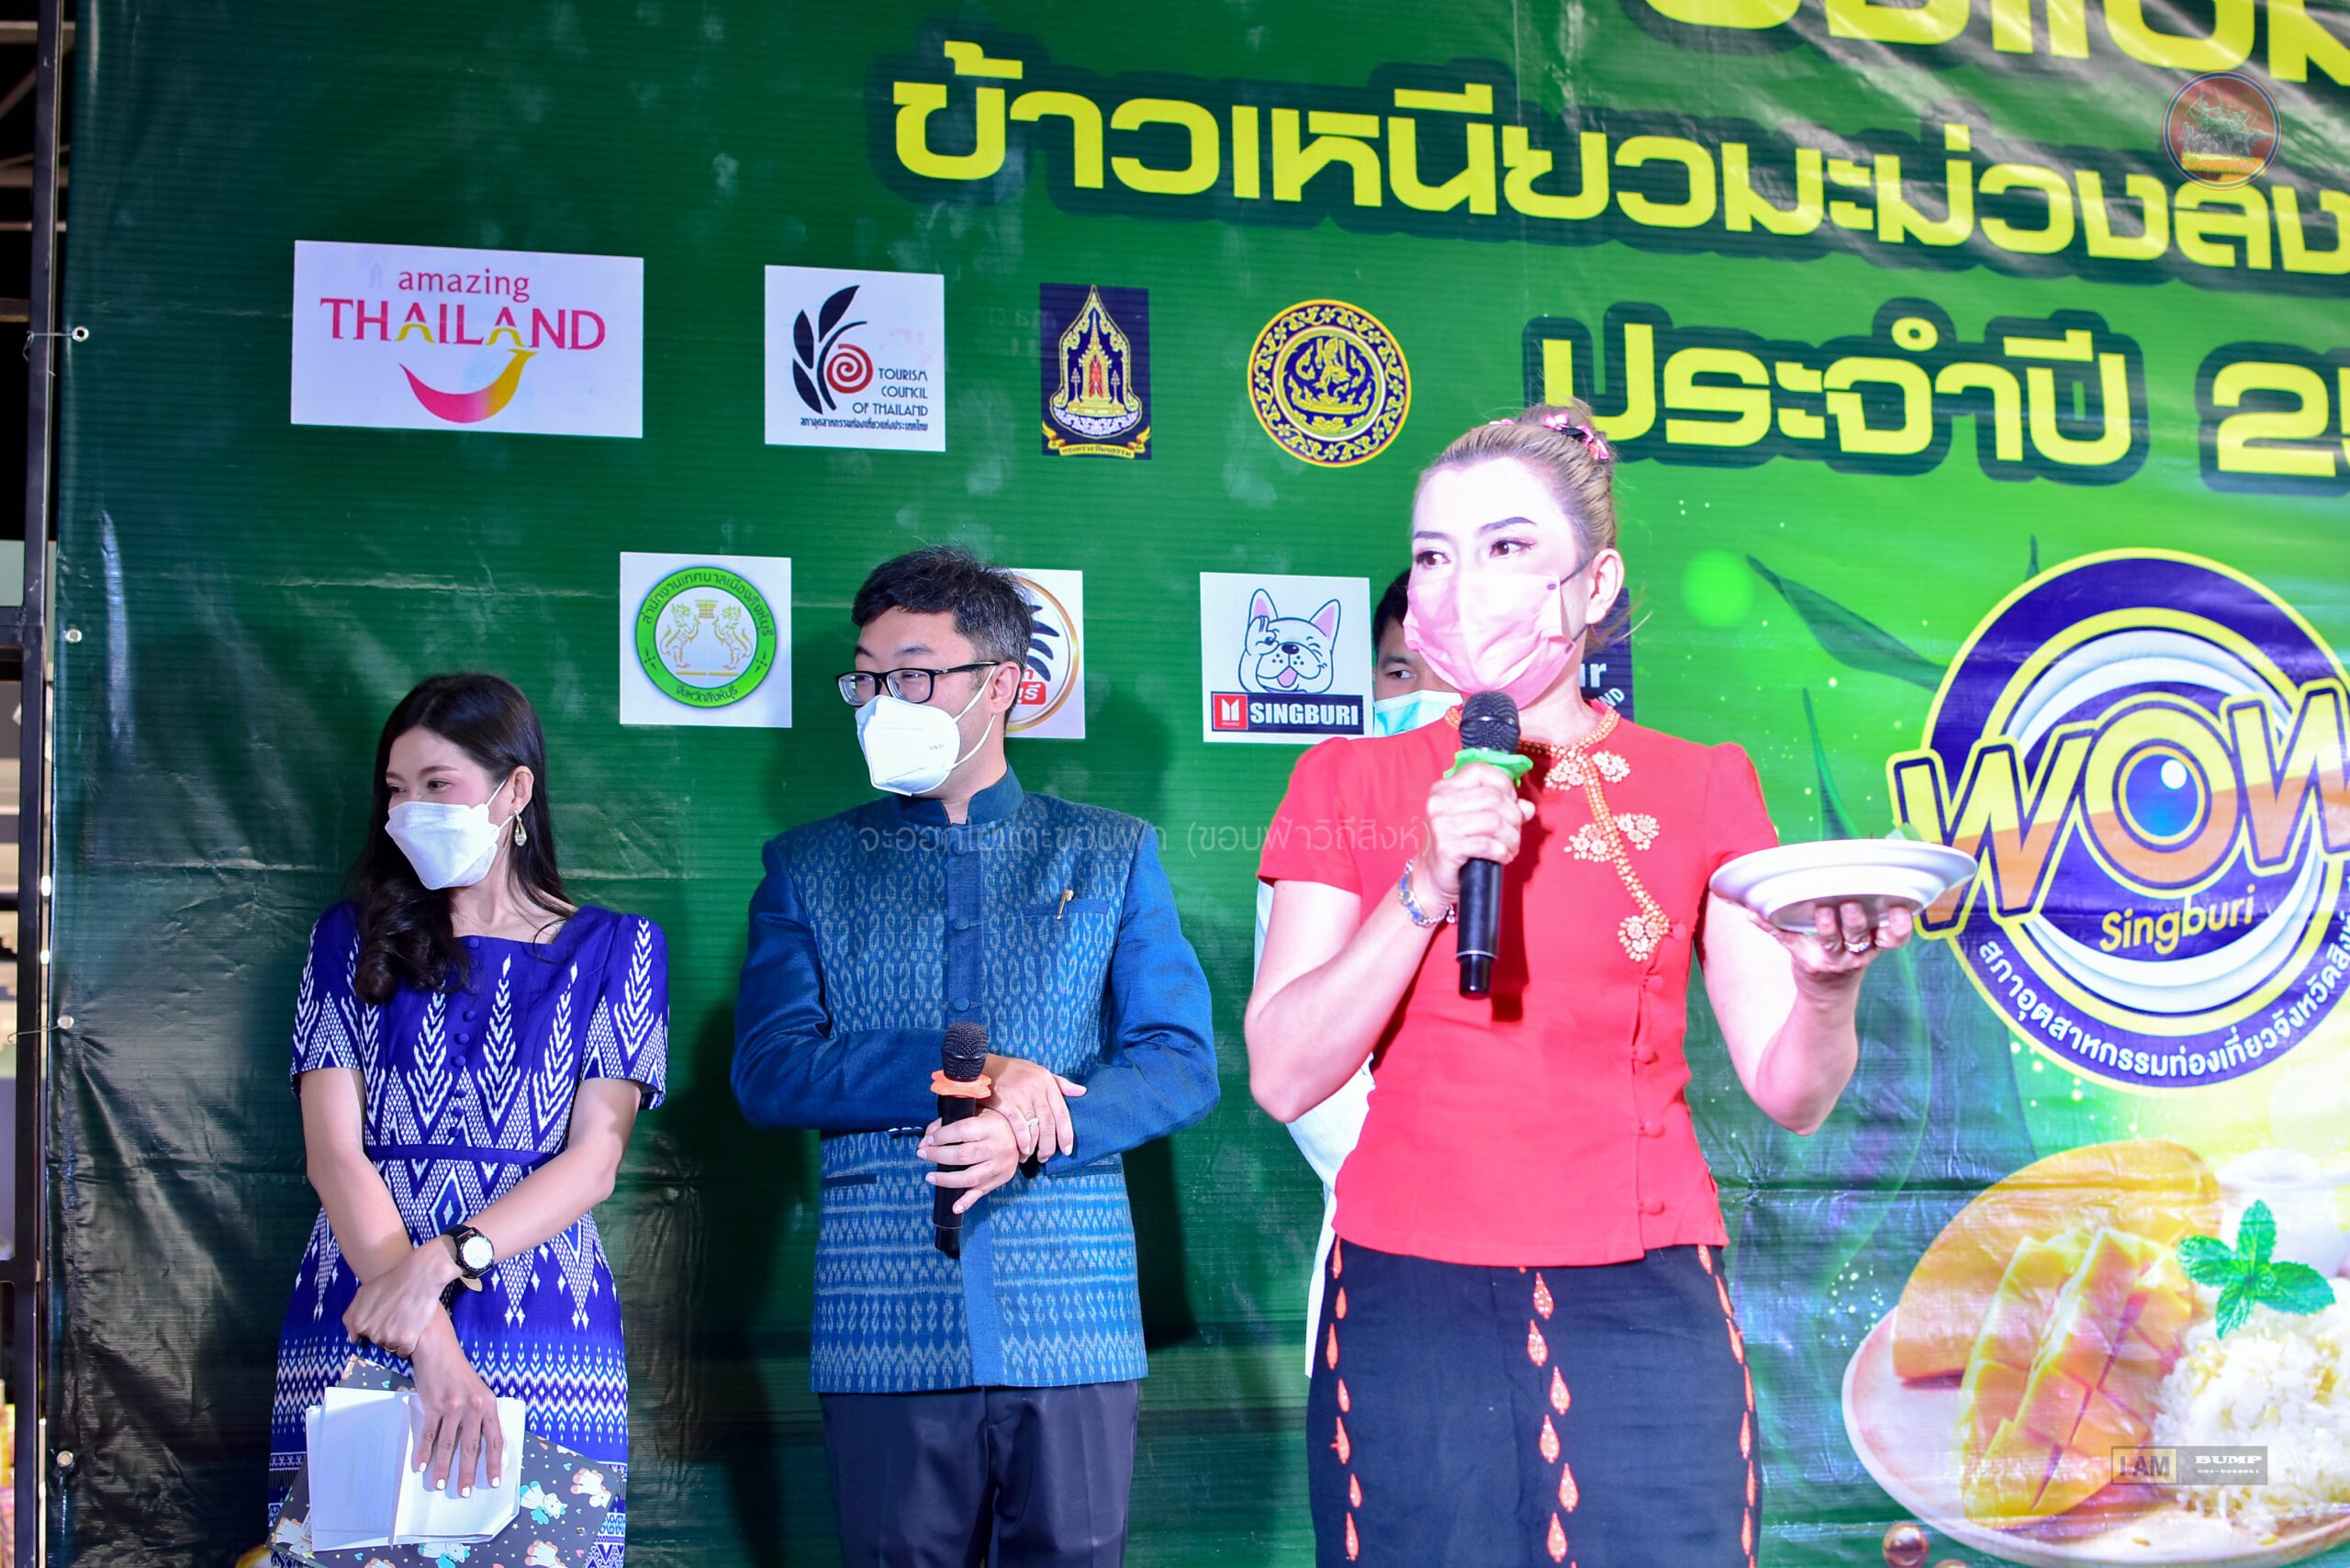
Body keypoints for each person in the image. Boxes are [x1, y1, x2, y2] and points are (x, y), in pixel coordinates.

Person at [1246, 404, 1911, 1568]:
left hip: (1642, 1287)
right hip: (1409, 1284)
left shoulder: (1699, 783)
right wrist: (1424, 880)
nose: (1461, 586)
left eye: (1506, 547)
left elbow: (1792, 1092)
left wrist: (1825, 984)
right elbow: (1284, 1071)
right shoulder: (1347, 779)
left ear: (1593, 583)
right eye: (1433, 555)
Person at [733, 545, 1219, 1568]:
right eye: (867, 679)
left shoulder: (1110, 852)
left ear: (999, 686)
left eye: (913, 676)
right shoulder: (806, 865)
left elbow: (1179, 1061)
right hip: (882, 1311)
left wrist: (1037, 1125)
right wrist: (983, 1068)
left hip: (1073, 1307)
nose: (882, 702)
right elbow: (771, 1070)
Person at [268, 674, 667, 1568]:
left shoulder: (618, 948)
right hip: (367, 1296)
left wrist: (446, 1261)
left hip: (543, 1312)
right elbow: (334, 1155)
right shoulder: (347, 938)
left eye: (436, 784)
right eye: (396, 789)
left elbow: (594, 1161)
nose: (408, 809)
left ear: (514, 789)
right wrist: (429, 1337)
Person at [1270, 569, 1459, 1373]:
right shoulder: (1332, 807)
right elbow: (1301, 1061)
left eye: (1445, 669)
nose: (1422, 693)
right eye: (1399, 670)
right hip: (1387, 1212)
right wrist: (1418, 1157)